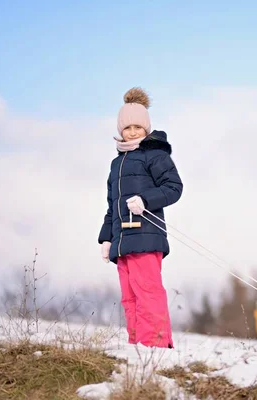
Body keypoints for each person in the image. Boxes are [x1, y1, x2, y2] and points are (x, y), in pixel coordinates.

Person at [98, 87, 184, 348]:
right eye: (128, 127)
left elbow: (174, 187)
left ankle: (155, 345)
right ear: (120, 129)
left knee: (148, 293)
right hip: (123, 242)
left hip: (146, 237)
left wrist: (146, 200)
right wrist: (106, 238)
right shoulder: (117, 163)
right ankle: (136, 346)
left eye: (138, 126)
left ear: (146, 128)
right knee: (129, 296)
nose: (132, 132)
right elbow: (112, 206)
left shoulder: (154, 155)